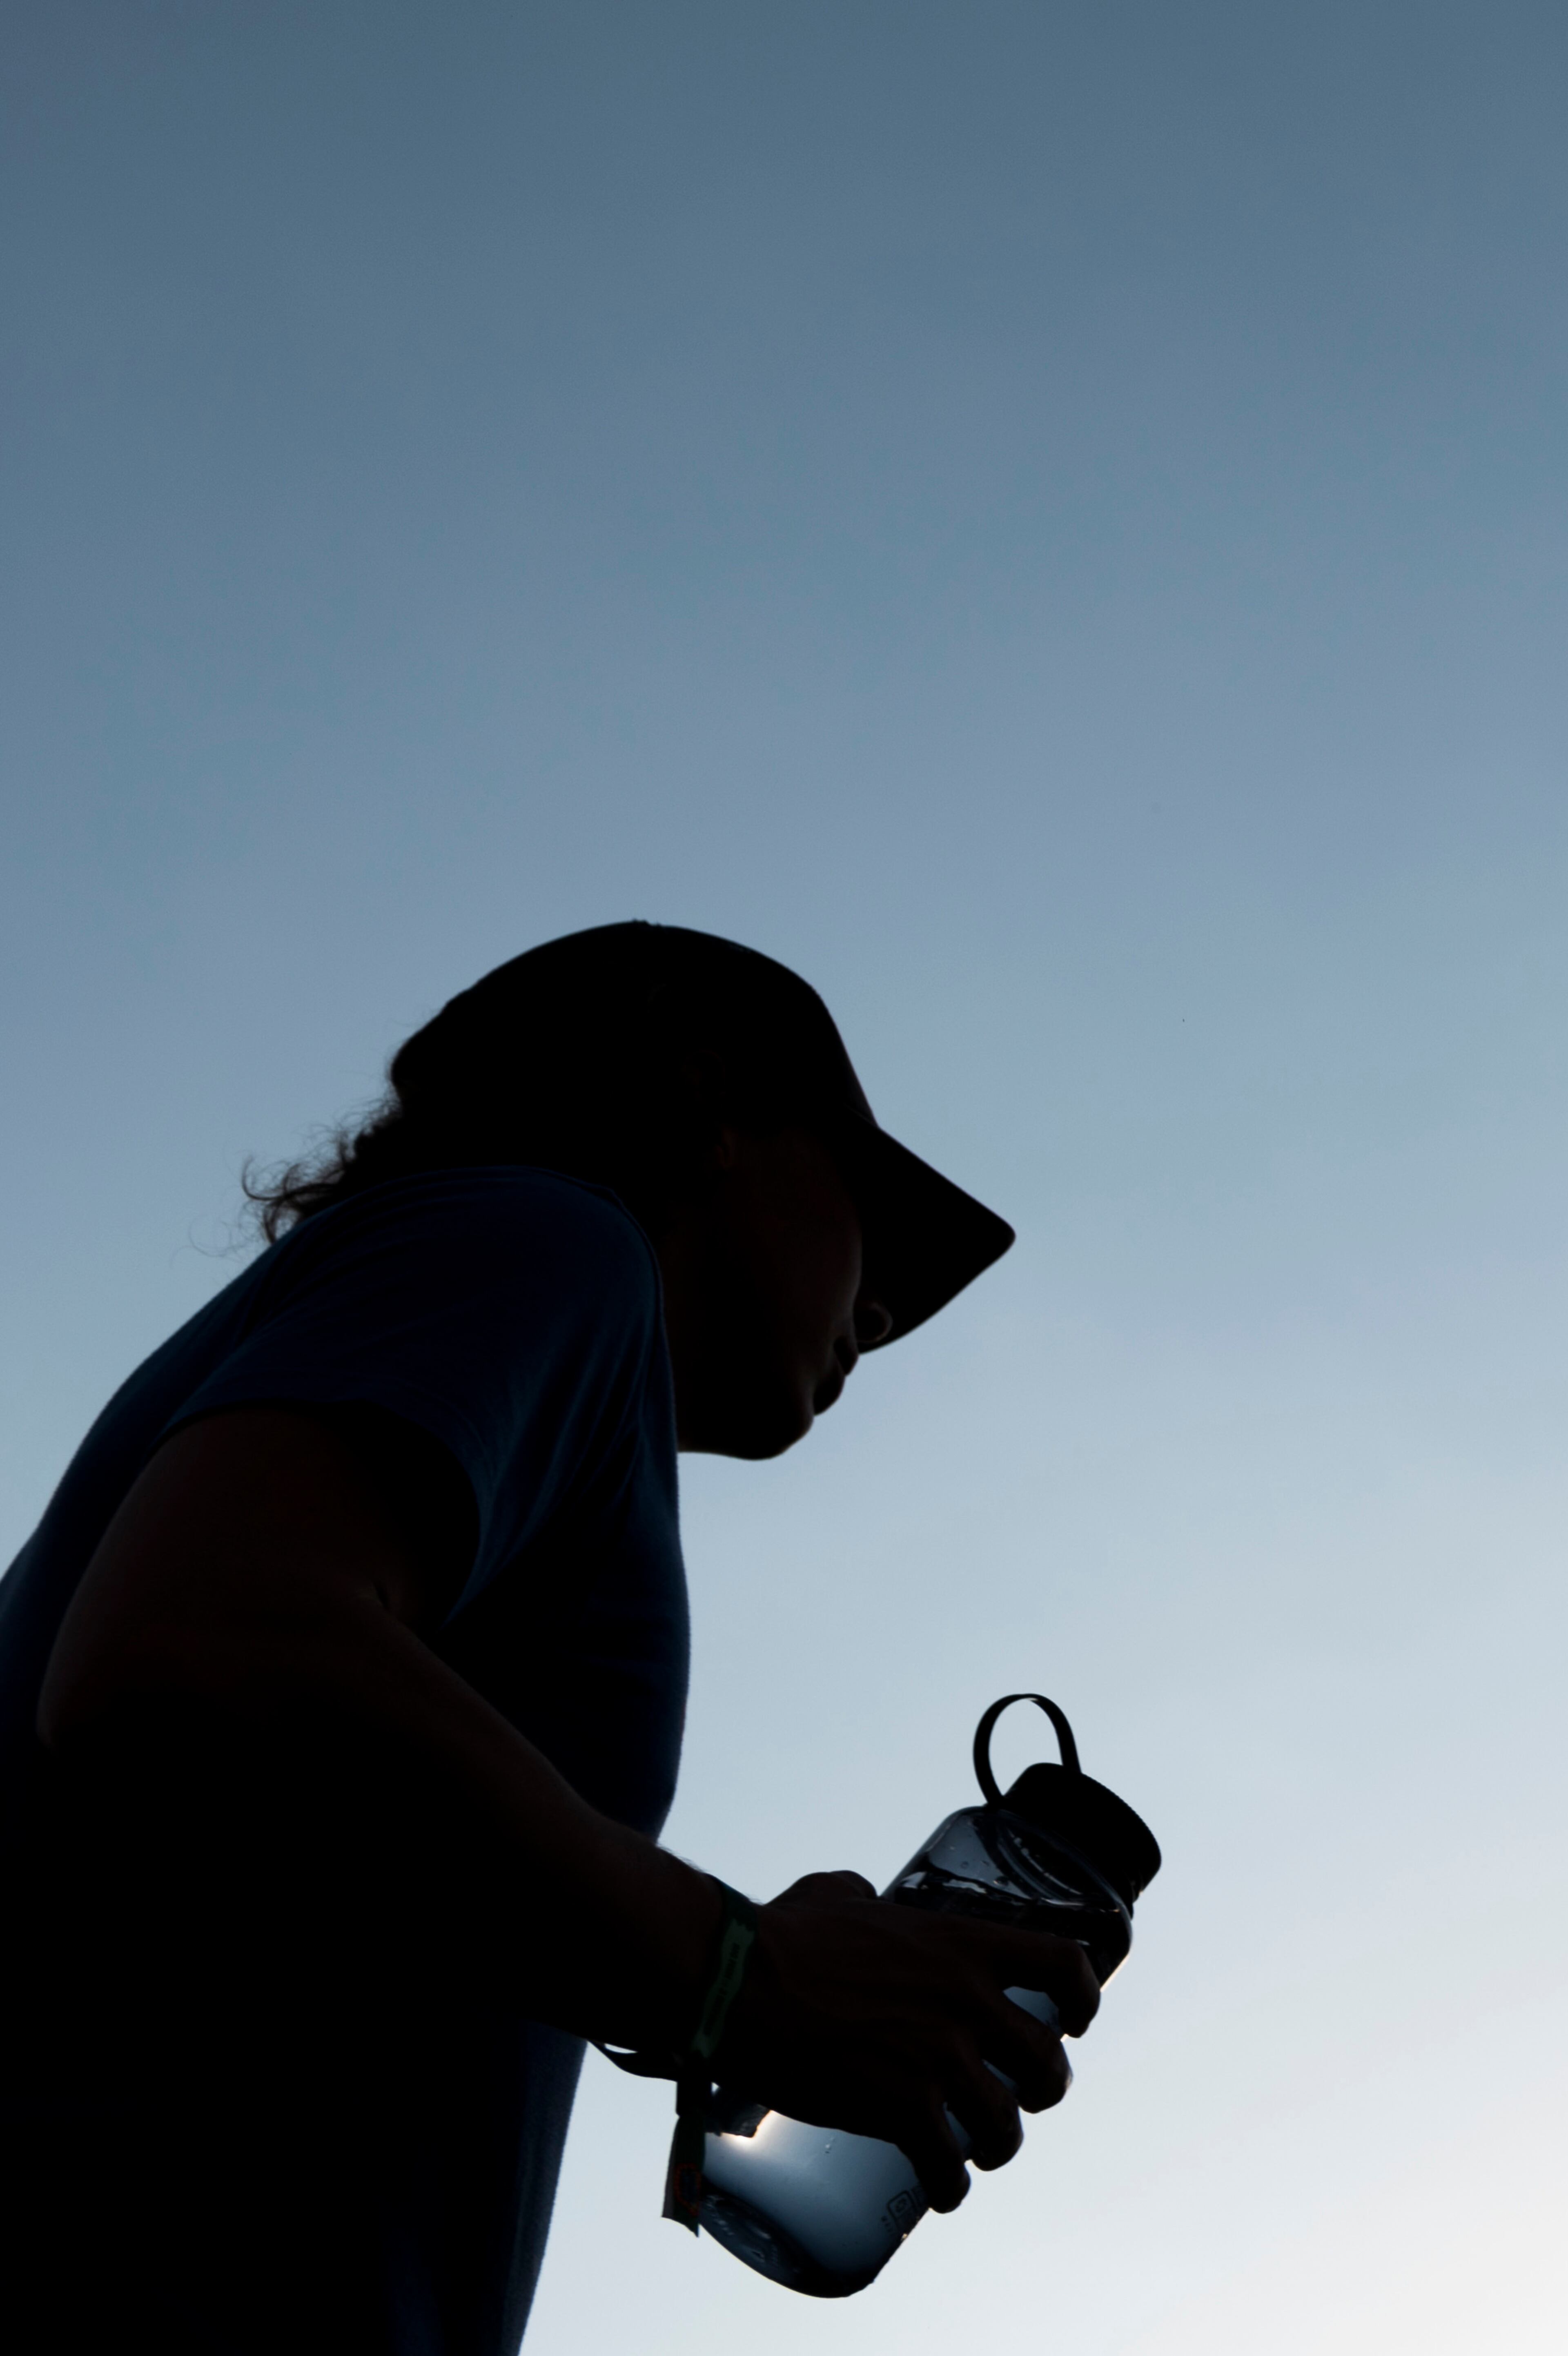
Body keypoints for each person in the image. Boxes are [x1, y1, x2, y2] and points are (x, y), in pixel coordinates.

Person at [0, 921, 1098, 2355]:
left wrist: (693, 1985)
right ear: (710, 1108)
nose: (883, 1307)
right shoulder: (553, 1238)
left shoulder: (498, 1318)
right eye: (868, 1214)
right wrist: (738, 1975)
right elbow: (197, 1644)